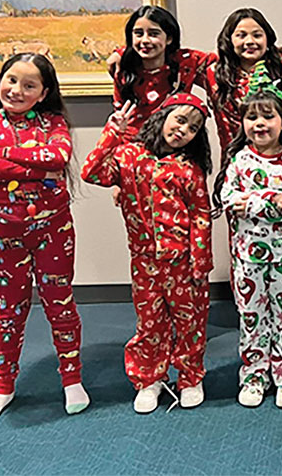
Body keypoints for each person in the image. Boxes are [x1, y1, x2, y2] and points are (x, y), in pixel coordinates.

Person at [0, 53, 89, 424]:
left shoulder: (54, 122)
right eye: (11, 79)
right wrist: (35, 165)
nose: (16, 90)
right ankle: (3, 387)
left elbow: (58, 157)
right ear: (1, 79)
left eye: (29, 85)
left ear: (43, 93)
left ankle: (72, 380)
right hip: (2, 234)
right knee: (10, 308)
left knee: (60, 303)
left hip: (52, 231)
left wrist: (0, 156)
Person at [81, 93, 213, 413]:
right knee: (150, 323)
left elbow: (201, 215)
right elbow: (90, 172)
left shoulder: (190, 169)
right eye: (180, 120)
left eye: (193, 128)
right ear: (162, 116)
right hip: (145, 261)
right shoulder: (129, 156)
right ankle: (149, 379)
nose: (183, 130)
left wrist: (200, 263)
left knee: (190, 323)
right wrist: (112, 133)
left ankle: (190, 378)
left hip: (183, 261)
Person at [212, 74, 282, 409]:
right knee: (252, 315)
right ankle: (254, 375)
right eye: (252, 117)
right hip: (248, 257)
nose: (259, 124)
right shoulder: (239, 160)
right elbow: (229, 199)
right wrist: (273, 199)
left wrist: (255, 201)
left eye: (268, 116)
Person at [202, 7, 282, 166]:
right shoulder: (214, 72)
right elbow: (177, 59)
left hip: (281, 165)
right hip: (235, 166)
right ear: (229, 39)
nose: (250, 41)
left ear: (267, 38)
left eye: (257, 35)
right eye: (241, 35)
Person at [111, 5, 214, 138]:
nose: (145, 40)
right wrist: (120, 53)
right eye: (138, 33)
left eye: (154, 34)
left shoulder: (185, 62)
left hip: (174, 140)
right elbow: (119, 118)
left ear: (169, 38)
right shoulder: (124, 68)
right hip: (132, 142)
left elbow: (221, 57)